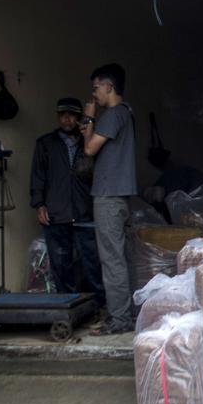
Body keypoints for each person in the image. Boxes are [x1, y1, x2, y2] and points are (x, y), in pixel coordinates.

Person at [29, 97, 105, 304]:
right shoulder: (45, 144)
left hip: (85, 211)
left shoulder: (90, 144)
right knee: (61, 264)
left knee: (92, 263)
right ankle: (67, 307)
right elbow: (38, 176)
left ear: (80, 117)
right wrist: (39, 204)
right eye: (63, 114)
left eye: (72, 115)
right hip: (56, 211)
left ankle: (98, 307)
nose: (67, 119)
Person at [80, 63, 137, 336]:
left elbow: (89, 149)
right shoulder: (125, 113)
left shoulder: (113, 114)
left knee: (111, 259)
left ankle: (120, 318)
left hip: (108, 196)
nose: (94, 95)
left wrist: (89, 118)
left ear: (109, 86)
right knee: (119, 258)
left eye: (96, 88)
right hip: (118, 196)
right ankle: (125, 313)